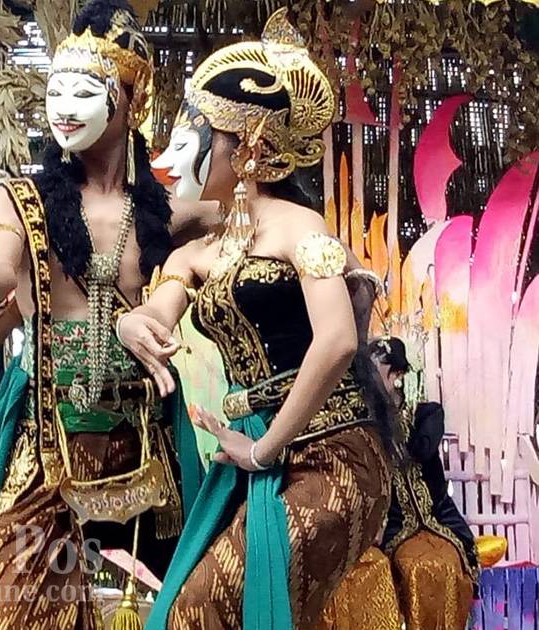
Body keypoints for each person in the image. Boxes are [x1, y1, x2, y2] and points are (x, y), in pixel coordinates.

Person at [116, 11, 394, 629]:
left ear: (248, 149)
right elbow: (160, 308)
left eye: (189, 140)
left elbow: (338, 341)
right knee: (189, 610)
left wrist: (266, 450)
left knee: (203, 609)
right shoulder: (197, 252)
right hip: (255, 450)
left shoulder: (303, 228)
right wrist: (130, 325)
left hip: (332, 452)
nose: (170, 159)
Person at [0, 2, 207, 628]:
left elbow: (244, 230)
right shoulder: (18, 201)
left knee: (203, 593)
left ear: (132, 100)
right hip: (47, 433)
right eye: (55, 90)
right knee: (14, 593)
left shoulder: (169, 211)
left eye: (85, 90)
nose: (64, 106)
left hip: (147, 433)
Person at [371, 337, 479, 630]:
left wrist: (392, 422)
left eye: (377, 370)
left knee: (446, 564)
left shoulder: (427, 414)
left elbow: (422, 448)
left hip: (438, 519)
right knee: (416, 568)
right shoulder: (368, 425)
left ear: (397, 375)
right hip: (396, 527)